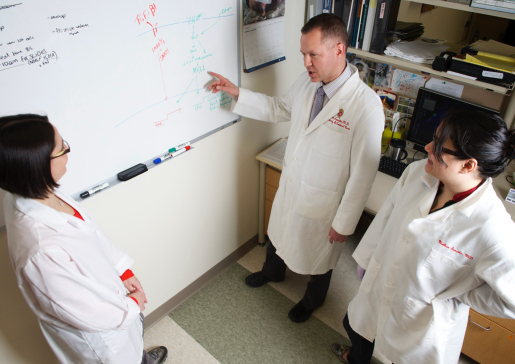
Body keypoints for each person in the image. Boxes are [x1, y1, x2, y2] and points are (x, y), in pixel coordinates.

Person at [208, 13, 384, 323]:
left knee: (320, 256)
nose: (305, 62)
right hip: (293, 183)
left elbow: (363, 175)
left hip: (325, 199)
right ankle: (271, 273)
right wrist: (239, 93)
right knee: (278, 232)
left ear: (339, 50)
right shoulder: (308, 81)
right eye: (303, 53)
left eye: (313, 54)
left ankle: (312, 301)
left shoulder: (365, 106)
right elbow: (280, 107)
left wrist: (344, 223)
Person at [330, 110, 515, 364]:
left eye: (439, 147)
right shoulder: (419, 172)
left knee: (400, 357)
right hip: (379, 287)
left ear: (469, 165)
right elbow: (385, 216)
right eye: (433, 139)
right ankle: (354, 358)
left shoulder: (493, 227)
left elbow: (510, 301)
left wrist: (460, 294)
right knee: (360, 331)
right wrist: (366, 261)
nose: (428, 147)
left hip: (419, 323)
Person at [0, 114, 168, 364]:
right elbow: (84, 312)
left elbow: (93, 235)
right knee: (124, 356)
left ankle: (142, 358)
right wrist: (132, 305)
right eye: (62, 148)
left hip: (116, 303)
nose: (68, 150)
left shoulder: (38, 194)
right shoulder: (40, 250)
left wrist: (124, 272)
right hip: (103, 338)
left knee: (134, 344)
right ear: (36, 166)